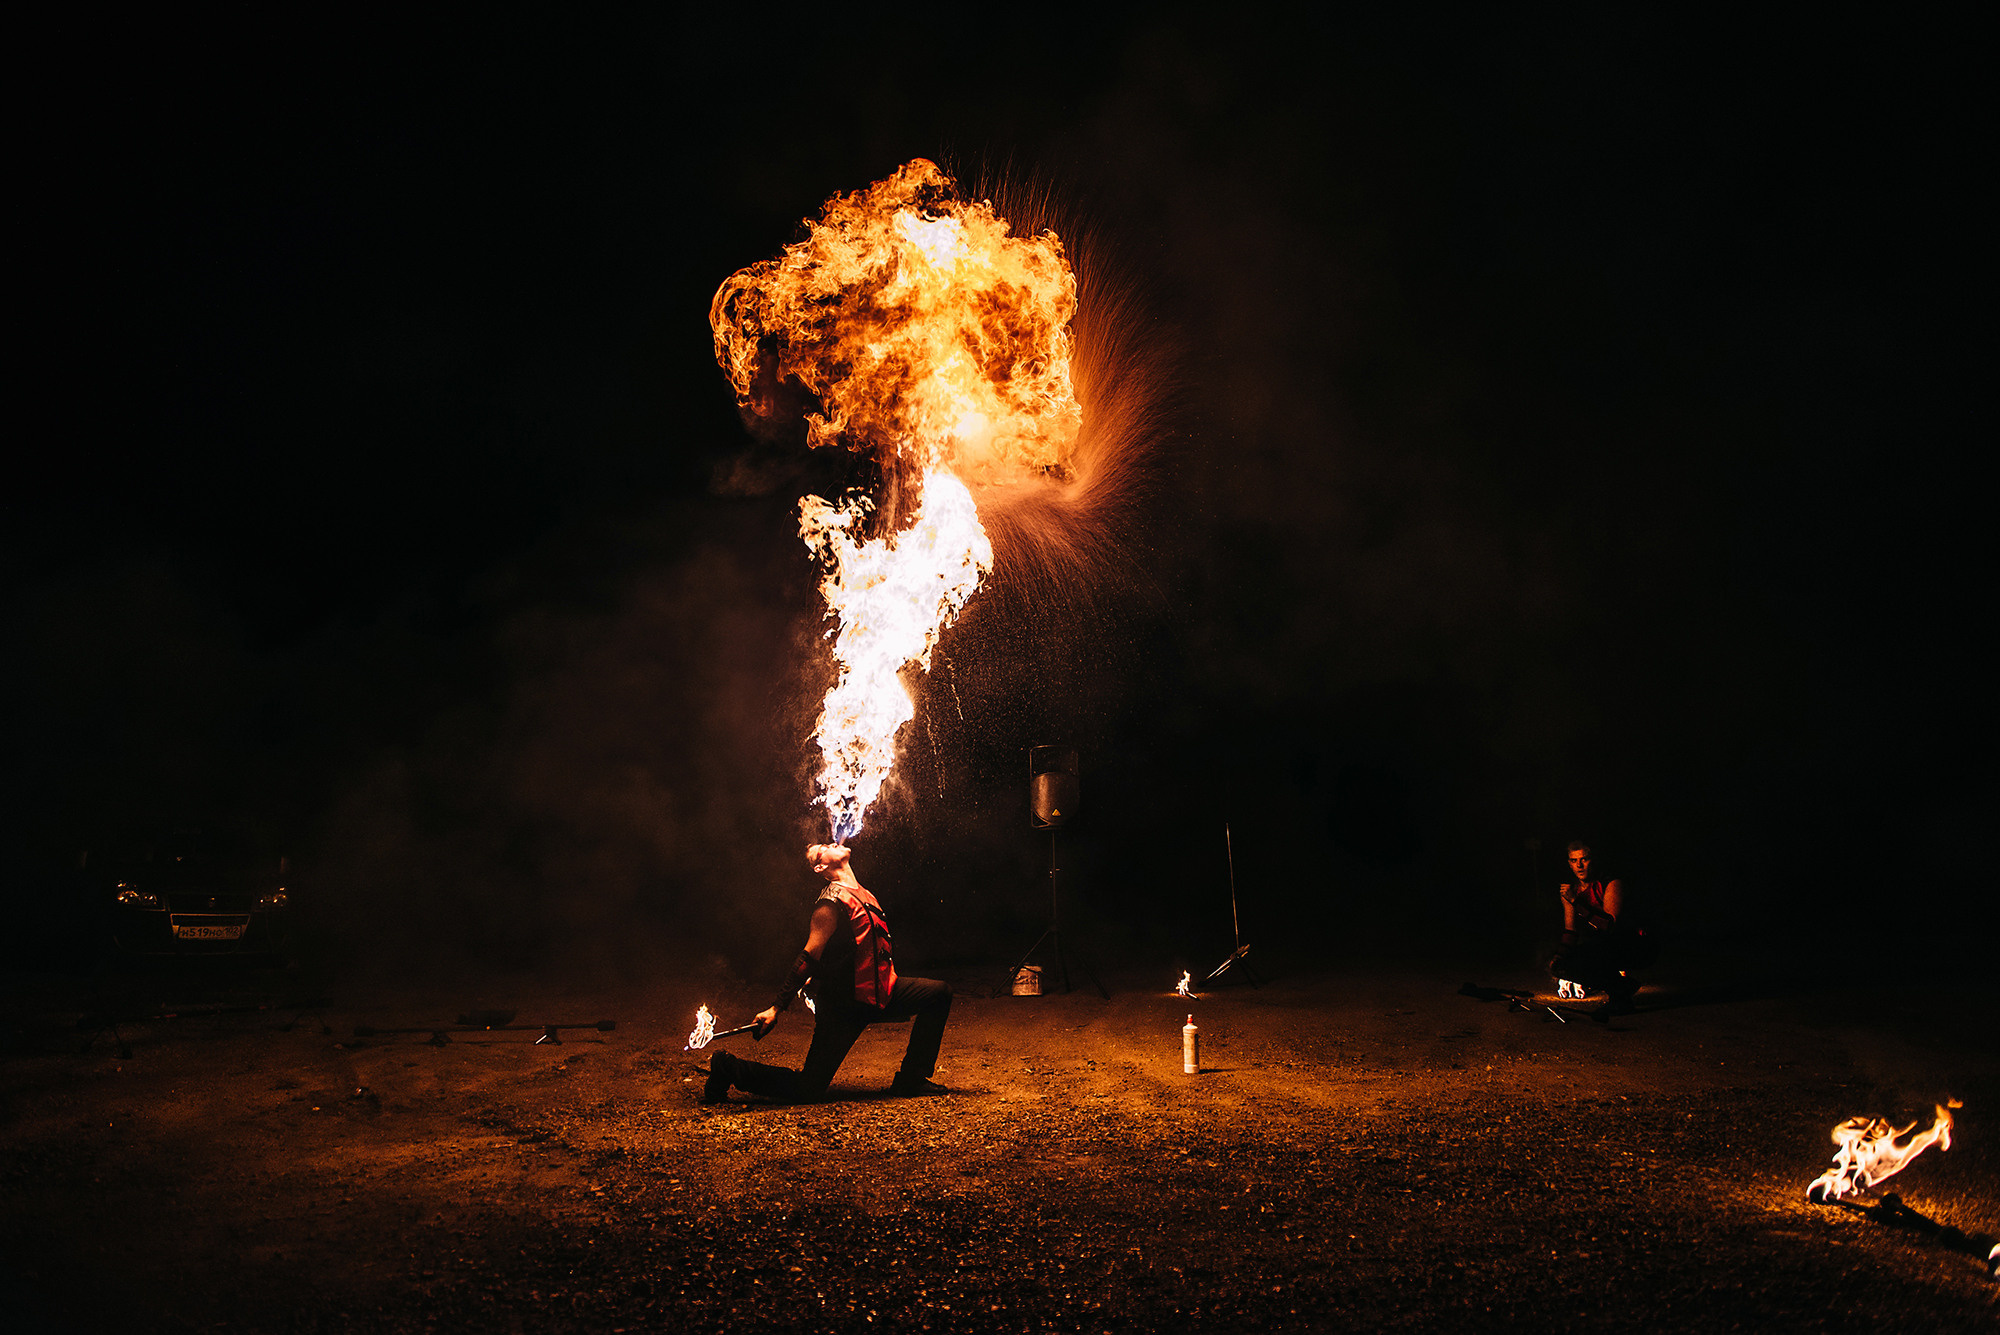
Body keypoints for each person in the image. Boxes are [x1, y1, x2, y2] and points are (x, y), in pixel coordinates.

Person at [703, 843, 952, 1103]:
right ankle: (728, 1067)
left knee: (938, 993)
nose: (833, 843)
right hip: (844, 1004)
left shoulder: (863, 893)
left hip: (881, 993)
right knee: (808, 1088)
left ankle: (911, 1079)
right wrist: (777, 1008)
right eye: (822, 849)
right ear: (820, 867)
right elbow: (808, 957)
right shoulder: (829, 904)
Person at [1547, 841, 1656, 1011]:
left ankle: (1620, 995)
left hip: (1632, 945)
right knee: (1561, 966)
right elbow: (1571, 931)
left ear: (1593, 860)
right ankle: (1623, 986)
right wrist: (1559, 956)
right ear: (1569, 863)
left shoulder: (1611, 883)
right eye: (1574, 861)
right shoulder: (1570, 890)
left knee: (1597, 949)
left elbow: (1609, 926)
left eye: (1584, 859)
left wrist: (1576, 902)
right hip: (1601, 946)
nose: (1579, 865)